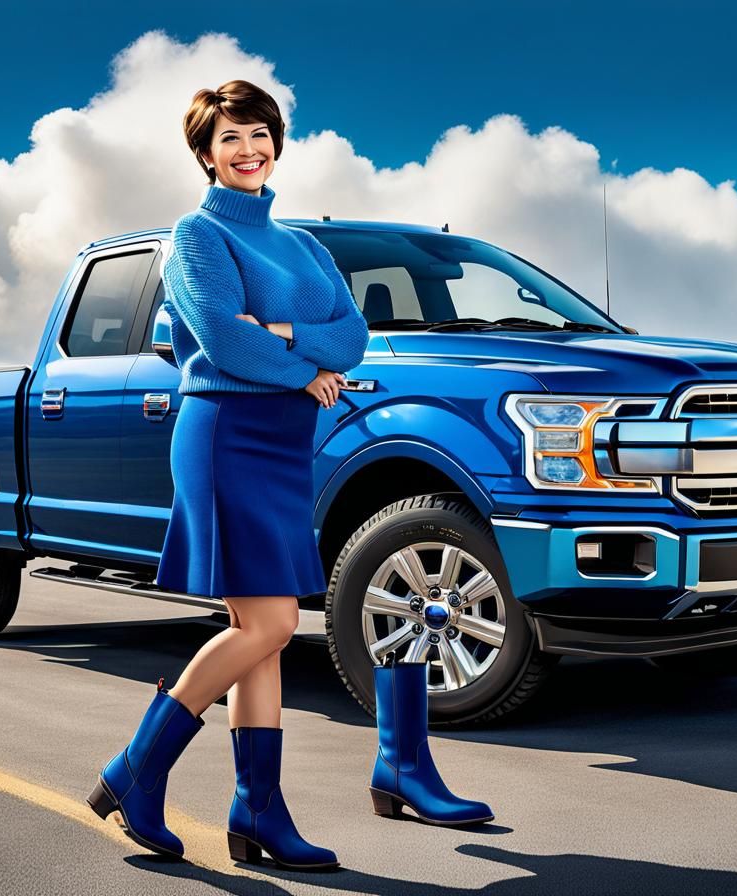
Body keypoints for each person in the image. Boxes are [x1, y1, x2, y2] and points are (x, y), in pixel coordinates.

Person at [87, 79, 492, 873]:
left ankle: (259, 812)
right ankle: (135, 770)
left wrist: (282, 334)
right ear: (205, 154)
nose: (249, 150)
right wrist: (301, 370)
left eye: (260, 134)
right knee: (267, 625)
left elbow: (353, 339)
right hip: (226, 435)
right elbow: (225, 346)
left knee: (263, 637)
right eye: (231, 138)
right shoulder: (196, 237)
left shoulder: (303, 245)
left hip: (280, 443)